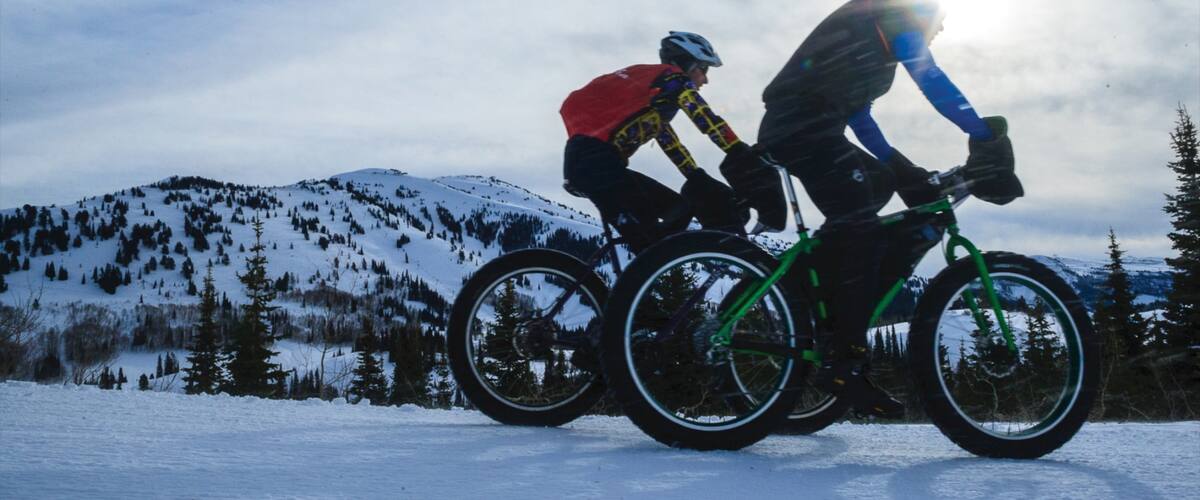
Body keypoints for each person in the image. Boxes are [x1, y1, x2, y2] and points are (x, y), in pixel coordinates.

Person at [748, 0, 1015, 418]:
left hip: (805, 126)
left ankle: (810, 298)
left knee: (876, 186)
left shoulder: (873, 55)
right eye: (940, 21)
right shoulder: (898, 16)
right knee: (860, 227)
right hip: (803, 126)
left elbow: (863, 123)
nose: (940, 30)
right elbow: (931, 78)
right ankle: (846, 361)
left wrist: (904, 171)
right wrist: (982, 134)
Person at [560, 31, 769, 253]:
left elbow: (671, 145)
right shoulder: (674, 79)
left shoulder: (654, 97)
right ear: (689, 64)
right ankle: (642, 277)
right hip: (597, 166)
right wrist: (739, 151)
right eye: (704, 69)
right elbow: (706, 118)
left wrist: (695, 175)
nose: (706, 79)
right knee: (649, 242)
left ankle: (654, 268)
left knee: (678, 208)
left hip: (595, 165)